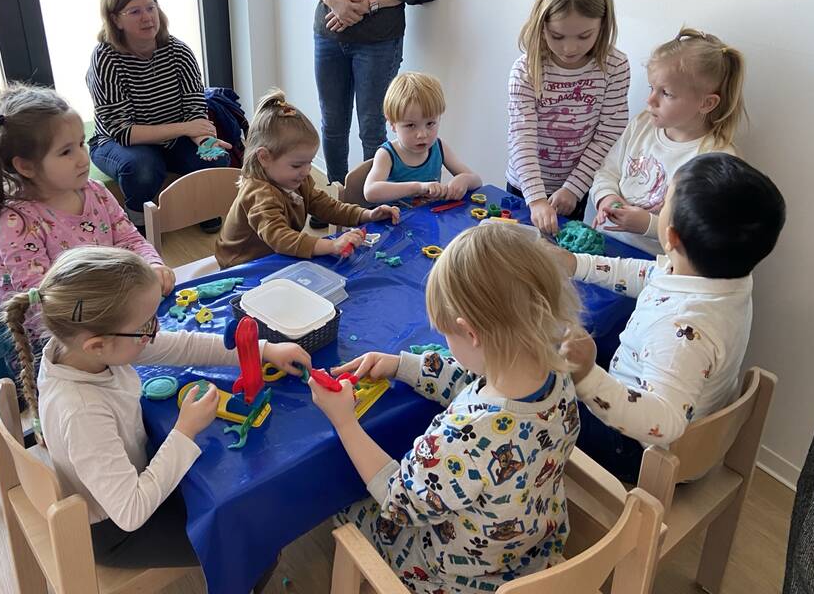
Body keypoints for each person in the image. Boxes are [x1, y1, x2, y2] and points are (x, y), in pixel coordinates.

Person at [0, 246, 311, 569]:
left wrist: (261, 350)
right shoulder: (81, 411)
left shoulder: (79, 349)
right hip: (118, 532)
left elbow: (180, 345)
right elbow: (131, 511)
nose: (155, 331)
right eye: (146, 326)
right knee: (254, 537)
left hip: (126, 486)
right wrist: (184, 430)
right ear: (97, 345)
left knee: (230, 490)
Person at [310, 224, 582, 593]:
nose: (445, 342)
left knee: (341, 504)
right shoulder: (553, 374)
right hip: (530, 550)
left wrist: (344, 422)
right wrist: (399, 365)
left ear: (470, 333)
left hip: (451, 577)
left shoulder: (462, 436)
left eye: (446, 335)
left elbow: (397, 498)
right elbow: (471, 381)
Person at [552, 153, 785, 482]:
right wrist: (577, 264)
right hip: (667, 418)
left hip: (639, 451)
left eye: (666, 201)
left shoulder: (683, 329)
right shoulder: (726, 279)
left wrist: (588, 377)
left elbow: (662, 424)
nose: (660, 203)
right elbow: (648, 274)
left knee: (540, 383)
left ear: (672, 237)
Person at [0, 83, 173, 342]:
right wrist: (102, 317)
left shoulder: (96, 191)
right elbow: (41, 300)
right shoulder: (16, 221)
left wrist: (153, 265)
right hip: (48, 336)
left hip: (103, 310)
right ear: (25, 166)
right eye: (66, 151)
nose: (82, 158)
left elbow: (129, 240)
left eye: (81, 144)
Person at [300, 0, 438, 192]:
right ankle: (335, 197)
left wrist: (365, 5)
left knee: (373, 128)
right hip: (328, 35)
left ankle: (368, 203)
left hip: (379, 40)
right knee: (332, 124)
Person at [85, 0, 231, 232]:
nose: (147, 17)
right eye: (135, 11)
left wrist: (205, 141)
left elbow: (195, 111)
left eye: (151, 7)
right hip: (118, 143)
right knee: (143, 167)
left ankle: (201, 208)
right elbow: (123, 132)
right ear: (115, 19)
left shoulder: (179, 51)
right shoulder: (106, 58)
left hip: (173, 137)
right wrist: (186, 129)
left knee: (217, 157)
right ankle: (137, 227)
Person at [587, 28, 746, 254]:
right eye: (653, 88)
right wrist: (607, 198)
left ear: (707, 103)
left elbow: (702, 234)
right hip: (604, 246)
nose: (650, 99)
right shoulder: (642, 124)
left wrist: (648, 225)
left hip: (658, 264)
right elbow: (607, 172)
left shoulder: (715, 157)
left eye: (667, 93)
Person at [506, 0, 630, 235]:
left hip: (574, 186)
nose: (569, 48)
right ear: (541, 24)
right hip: (524, 186)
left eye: (584, 36)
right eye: (557, 35)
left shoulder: (615, 67)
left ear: (604, 24)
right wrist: (536, 199)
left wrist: (574, 188)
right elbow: (521, 136)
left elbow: (608, 135)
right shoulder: (526, 69)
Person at [215, 90, 399, 269]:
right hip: (242, 266)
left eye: (309, 162)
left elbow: (327, 206)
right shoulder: (259, 193)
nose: (306, 171)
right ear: (264, 157)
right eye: (297, 165)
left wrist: (366, 215)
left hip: (275, 257)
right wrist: (331, 246)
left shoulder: (297, 179)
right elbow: (280, 238)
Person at [363, 72, 482, 205]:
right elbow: (370, 192)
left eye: (430, 123)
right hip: (395, 222)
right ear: (392, 124)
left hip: (431, 219)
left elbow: (477, 180)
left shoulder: (439, 147)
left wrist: (463, 179)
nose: (422, 134)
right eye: (410, 125)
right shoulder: (387, 154)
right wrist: (418, 187)